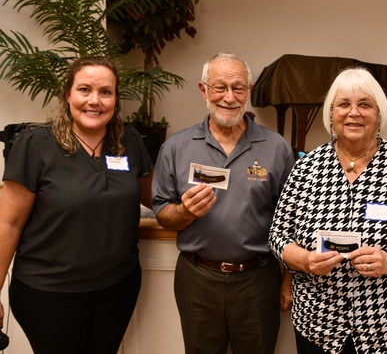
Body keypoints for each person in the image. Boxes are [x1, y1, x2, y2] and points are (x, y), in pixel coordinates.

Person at [269, 67, 387, 354]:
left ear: (379, 114)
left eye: (364, 104)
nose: (353, 113)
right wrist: (304, 260)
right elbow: (278, 234)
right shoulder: (306, 167)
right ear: (331, 114)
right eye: (343, 104)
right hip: (322, 328)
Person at [0, 56, 153, 353]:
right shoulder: (35, 145)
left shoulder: (128, 141)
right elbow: (8, 222)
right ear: (67, 94)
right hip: (49, 293)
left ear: (116, 99)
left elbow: (156, 196)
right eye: (84, 90)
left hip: (117, 287)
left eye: (105, 92)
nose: (94, 101)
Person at [152, 52, 295, 354]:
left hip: (258, 279)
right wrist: (185, 211)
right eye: (220, 87)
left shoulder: (276, 147)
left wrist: (288, 278)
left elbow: (291, 220)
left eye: (238, 87)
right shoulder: (176, 147)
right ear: (203, 90)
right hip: (198, 279)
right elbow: (163, 213)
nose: (229, 97)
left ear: (248, 91)